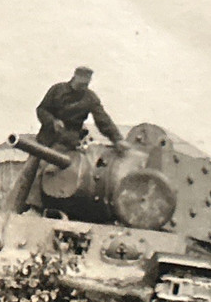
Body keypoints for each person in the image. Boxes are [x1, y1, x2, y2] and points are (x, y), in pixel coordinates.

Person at [7, 66, 128, 213]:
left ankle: (35, 208)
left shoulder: (90, 98)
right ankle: (12, 210)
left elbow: (102, 120)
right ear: (74, 77)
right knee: (27, 173)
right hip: (46, 138)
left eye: (86, 84)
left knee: (44, 169)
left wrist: (117, 139)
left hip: (66, 142)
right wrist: (52, 121)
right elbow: (41, 110)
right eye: (82, 83)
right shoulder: (57, 90)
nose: (83, 87)